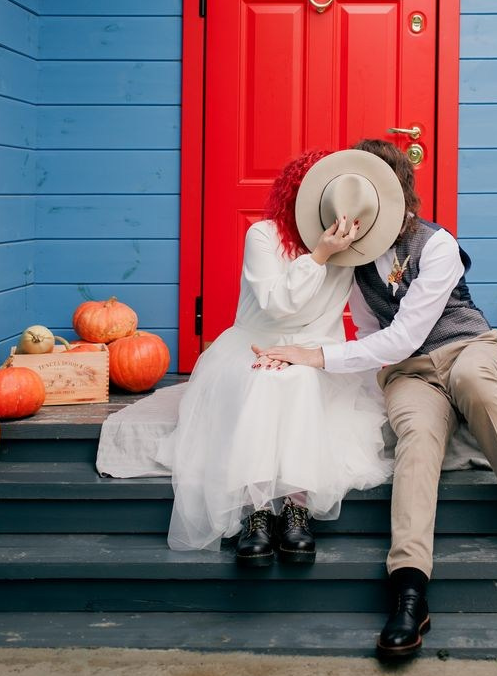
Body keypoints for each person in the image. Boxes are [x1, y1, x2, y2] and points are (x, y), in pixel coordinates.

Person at [256, 140, 497, 658]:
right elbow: (365, 332)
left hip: (467, 347)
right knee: (416, 440)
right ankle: (409, 588)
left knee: (473, 383)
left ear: (399, 195)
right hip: (410, 374)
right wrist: (309, 361)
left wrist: (314, 355)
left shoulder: (437, 244)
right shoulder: (353, 262)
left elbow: (404, 334)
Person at [156, 148, 396, 566]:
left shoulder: (354, 251)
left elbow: (371, 306)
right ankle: (258, 511)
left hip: (315, 349)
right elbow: (275, 306)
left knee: (299, 378)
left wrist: (311, 354)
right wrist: (318, 255)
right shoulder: (264, 236)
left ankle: (297, 507)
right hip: (255, 343)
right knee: (265, 380)